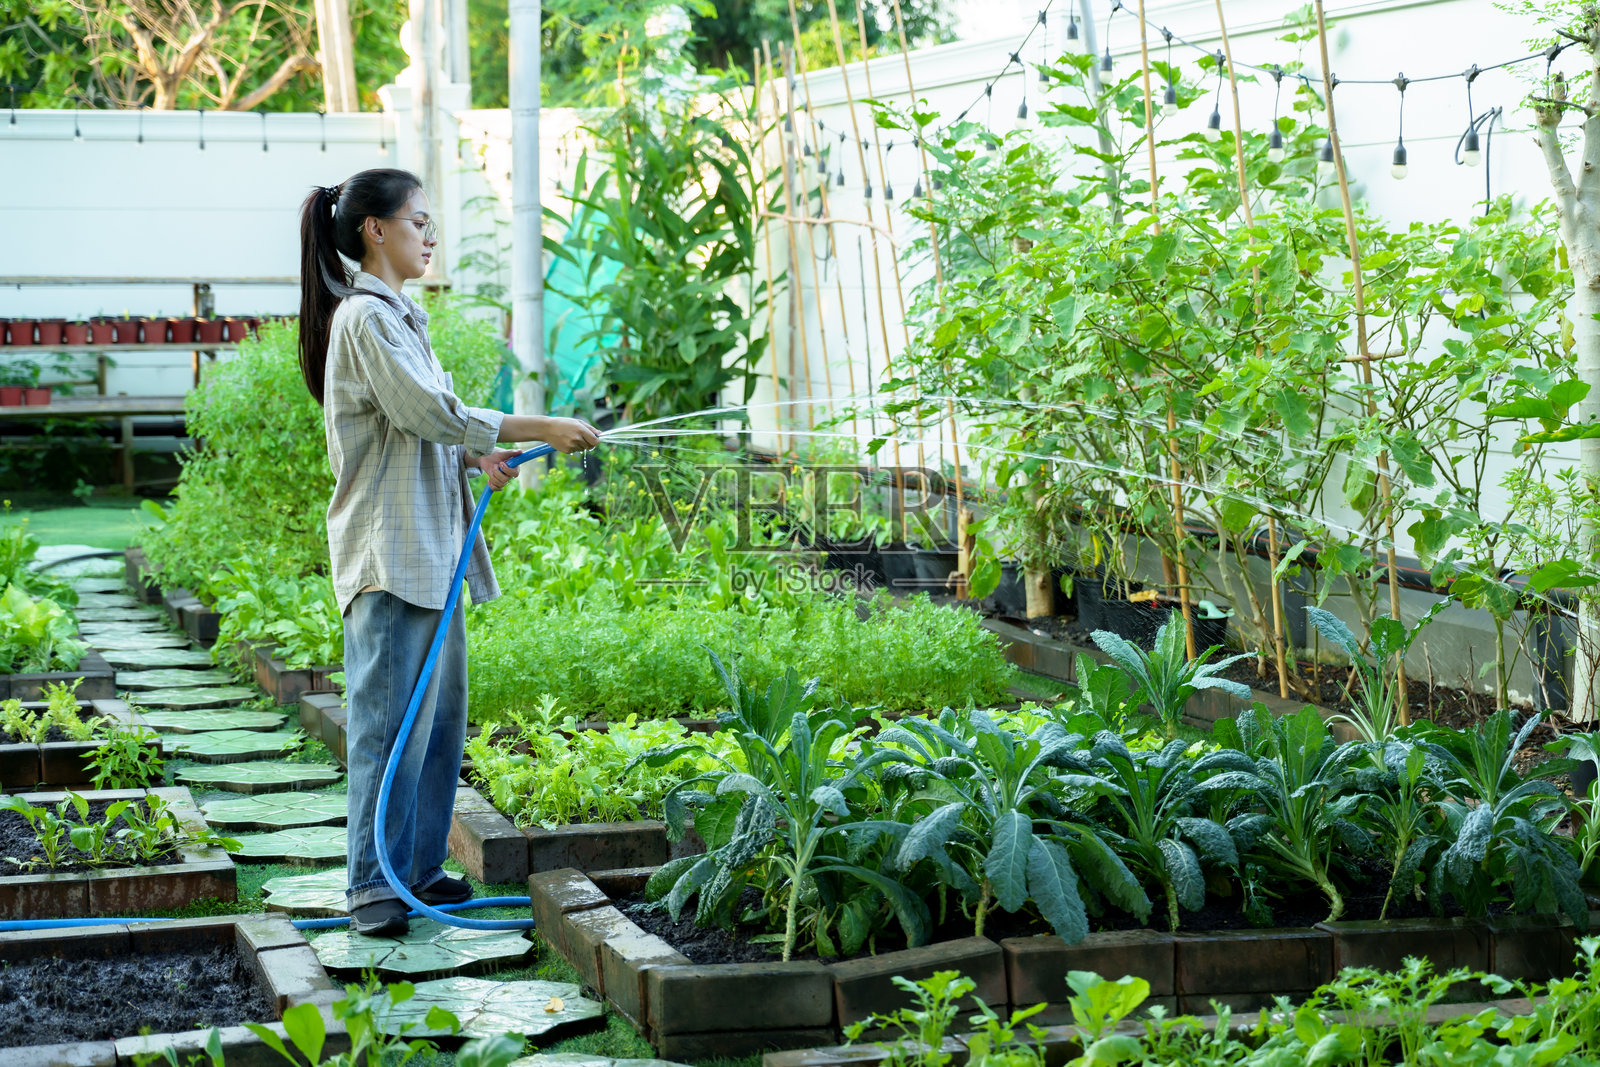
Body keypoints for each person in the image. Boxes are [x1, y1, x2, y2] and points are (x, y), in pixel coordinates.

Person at [297, 168, 599, 936]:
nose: (430, 237)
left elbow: (426, 431)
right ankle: (372, 883)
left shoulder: (401, 319)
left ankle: (419, 867)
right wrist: (537, 427)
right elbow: (428, 410)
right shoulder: (365, 319)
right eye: (419, 223)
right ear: (375, 230)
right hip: (391, 556)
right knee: (386, 724)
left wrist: (476, 459)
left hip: (433, 550)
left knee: (436, 722)